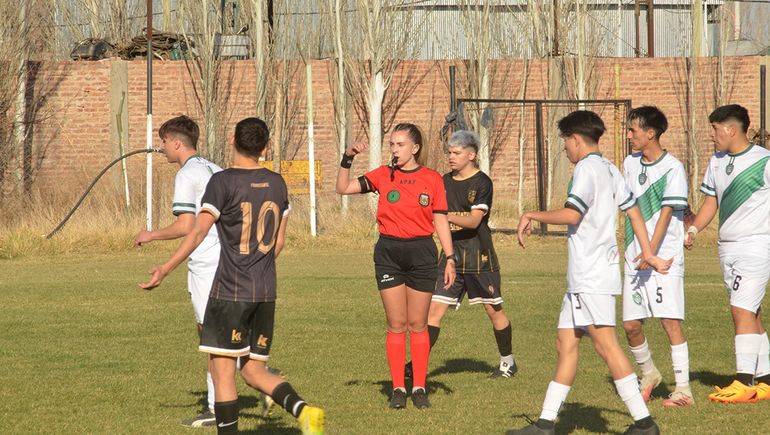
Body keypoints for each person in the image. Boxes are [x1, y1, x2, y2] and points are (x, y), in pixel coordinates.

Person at [139, 117, 324, 434]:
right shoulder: (277, 183)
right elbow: (278, 242)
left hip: (229, 290)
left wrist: (166, 268)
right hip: (265, 290)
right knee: (253, 372)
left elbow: (197, 231)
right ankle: (304, 411)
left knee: (222, 371)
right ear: (265, 148)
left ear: (232, 140)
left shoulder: (222, 182)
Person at [508, 110, 670, 435]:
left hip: (591, 275)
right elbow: (634, 212)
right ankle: (545, 425)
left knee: (606, 346)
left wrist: (531, 214)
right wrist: (648, 252)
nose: (566, 149)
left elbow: (572, 214)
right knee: (565, 343)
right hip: (587, 276)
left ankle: (644, 423)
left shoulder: (586, 168)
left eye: (565, 142)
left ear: (575, 139)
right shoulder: (609, 167)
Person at [336, 123, 456, 410]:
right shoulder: (382, 175)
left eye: (400, 145)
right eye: (392, 144)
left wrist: (450, 258)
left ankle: (419, 387)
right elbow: (343, 188)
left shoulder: (432, 179)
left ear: (415, 148)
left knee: (418, 325)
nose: (394, 150)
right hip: (389, 253)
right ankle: (398, 389)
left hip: (422, 254)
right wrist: (347, 158)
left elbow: (440, 220)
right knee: (396, 324)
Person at [404, 130, 517, 380]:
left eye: (456, 153)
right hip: (451, 257)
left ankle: (508, 363)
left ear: (471, 155)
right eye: (449, 152)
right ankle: (417, 365)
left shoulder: (482, 183)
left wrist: (442, 215)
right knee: (434, 312)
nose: (451, 157)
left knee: (493, 311)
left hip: (479, 257)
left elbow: (475, 221)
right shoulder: (443, 181)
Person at [134, 115, 223, 427]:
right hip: (228, 260)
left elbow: (187, 225)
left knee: (212, 337)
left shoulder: (187, 174)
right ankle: (254, 380)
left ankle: (218, 406)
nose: (161, 148)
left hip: (205, 263)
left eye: (163, 142)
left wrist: (152, 234)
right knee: (219, 333)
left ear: (176, 143)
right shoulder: (215, 168)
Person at [686, 104, 770, 403]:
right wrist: (694, 229)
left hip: (755, 246)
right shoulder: (717, 161)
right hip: (727, 247)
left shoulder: (764, 161)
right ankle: (766, 380)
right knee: (752, 312)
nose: (712, 135)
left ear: (731, 129)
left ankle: (744, 381)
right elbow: (711, 201)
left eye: (715, 129)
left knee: (741, 310)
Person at [621, 106, 693, 407]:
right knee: (631, 325)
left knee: (669, 322)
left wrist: (650, 252)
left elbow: (666, 214)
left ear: (651, 133)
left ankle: (684, 390)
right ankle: (649, 373)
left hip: (663, 258)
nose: (629, 135)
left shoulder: (673, 168)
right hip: (635, 256)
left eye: (633, 130)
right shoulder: (629, 163)